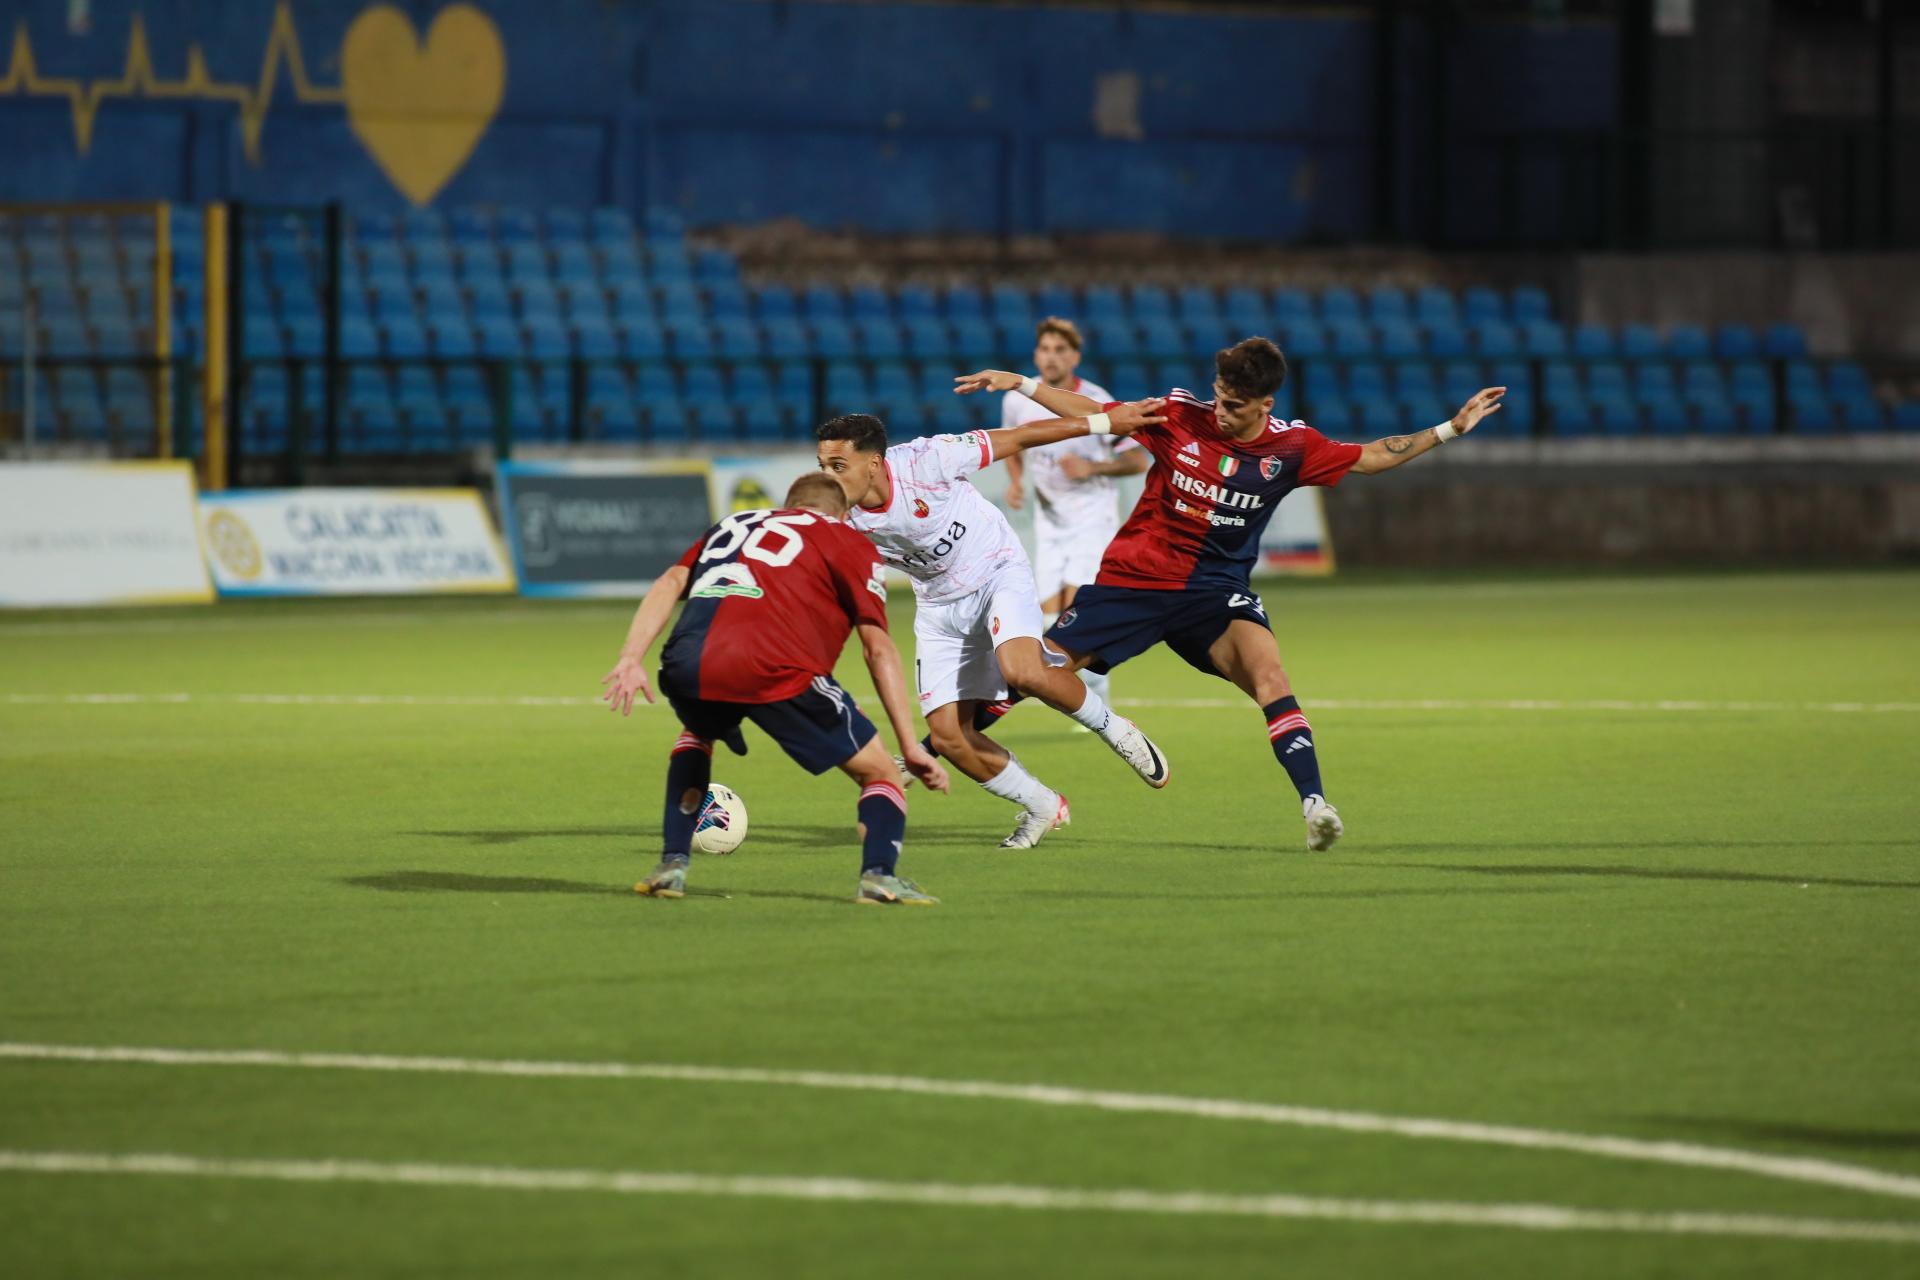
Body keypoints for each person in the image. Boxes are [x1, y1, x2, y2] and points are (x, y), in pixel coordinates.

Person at [955, 337, 1505, 853]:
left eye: (1235, 405)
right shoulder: (1178, 415)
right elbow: (1095, 412)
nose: (1220, 411)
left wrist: (1450, 429)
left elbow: (1372, 456)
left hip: (1214, 594)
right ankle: (935, 748)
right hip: (1135, 582)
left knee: (1271, 677)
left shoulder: (1292, 448)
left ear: (1266, 404)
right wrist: (1023, 383)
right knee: (1025, 677)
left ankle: (1315, 806)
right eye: (1218, 396)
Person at [815, 405, 1170, 851]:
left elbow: (1021, 436)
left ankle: (1115, 729)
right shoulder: (834, 516)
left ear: (873, 463)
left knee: (1023, 670)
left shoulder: (929, 460)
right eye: (822, 466)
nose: (827, 477)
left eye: (838, 465)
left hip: (996, 571)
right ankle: (1042, 805)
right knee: (948, 737)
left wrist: (1102, 423)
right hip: (939, 607)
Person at [602, 473, 952, 906]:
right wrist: (910, 745)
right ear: (844, 514)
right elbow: (877, 648)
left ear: (789, 505)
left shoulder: (733, 524)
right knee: (880, 773)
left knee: (697, 732)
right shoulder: (846, 539)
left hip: (688, 661)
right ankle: (879, 877)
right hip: (777, 667)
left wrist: (630, 657)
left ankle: (672, 864)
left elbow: (670, 582)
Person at [998, 318, 1150, 709]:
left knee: (1076, 608)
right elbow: (1012, 443)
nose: (1051, 357)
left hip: (1092, 518)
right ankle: (1079, 688)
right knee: (1048, 615)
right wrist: (1015, 481)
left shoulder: (1096, 399)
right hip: (1050, 521)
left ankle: (1096, 698)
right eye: (1045, 349)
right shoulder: (1017, 400)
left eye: (1060, 350)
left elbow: (1137, 460)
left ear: (1075, 357)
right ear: (1036, 355)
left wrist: (1092, 467)